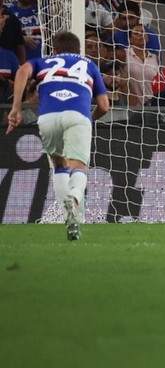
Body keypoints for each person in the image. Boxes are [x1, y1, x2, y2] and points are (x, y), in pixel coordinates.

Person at [6, 31, 111, 240]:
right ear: (79, 51)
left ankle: (70, 221)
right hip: (77, 115)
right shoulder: (89, 65)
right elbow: (104, 106)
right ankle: (75, 197)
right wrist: (88, 120)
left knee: (59, 164)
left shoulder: (42, 62)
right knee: (78, 166)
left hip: (47, 117)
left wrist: (16, 108)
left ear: (54, 50)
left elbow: (22, 71)